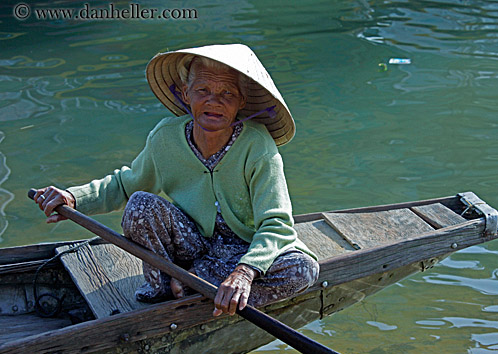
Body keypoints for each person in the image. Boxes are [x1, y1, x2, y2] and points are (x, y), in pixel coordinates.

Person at [33, 44, 319, 317]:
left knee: (303, 269)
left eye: (226, 94)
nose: (213, 102)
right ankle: (166, 288)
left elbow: (276, 225)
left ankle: (195, 285)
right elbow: (125, 185)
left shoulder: (258, 146)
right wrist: (73, 198)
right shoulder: (166, 137)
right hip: (191, 243)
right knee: (140, 204)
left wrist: (245, 272)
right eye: (202, 90)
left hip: (241, 250)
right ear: (186, 94)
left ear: (241, 102)